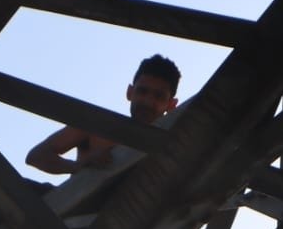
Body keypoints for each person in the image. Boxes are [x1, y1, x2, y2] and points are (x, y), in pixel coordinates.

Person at [25, 54, 180, 175]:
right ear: (130, 92)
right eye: (142, 91)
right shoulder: (97, 127)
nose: (147, 102)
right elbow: (37, 156)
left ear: (171, 105)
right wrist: (78, 167)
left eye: (158, 96)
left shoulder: (170, 149)